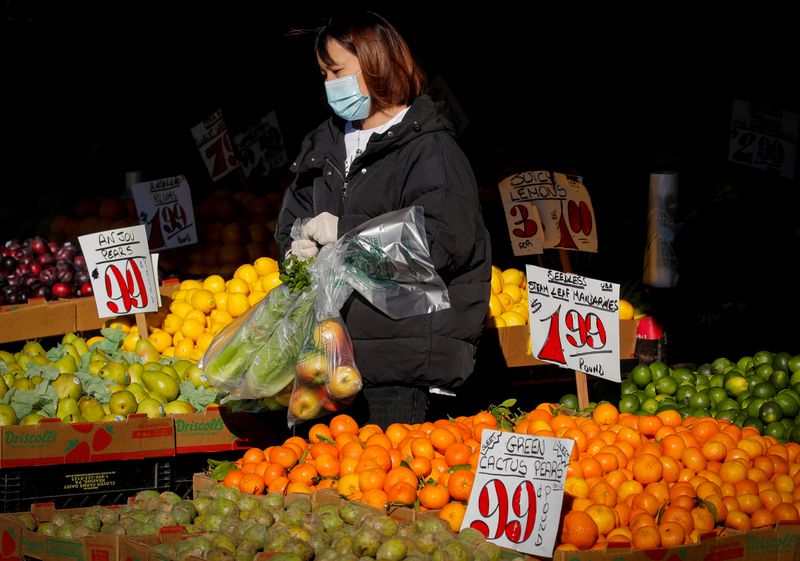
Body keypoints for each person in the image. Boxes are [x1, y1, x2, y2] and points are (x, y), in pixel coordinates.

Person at [276, 10, 491, 427]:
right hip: (330, 363)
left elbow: (443, 241)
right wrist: (293, 245)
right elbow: (292, 216)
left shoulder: (430, 149)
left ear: (375, 63)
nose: (329, 85)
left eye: (336, 71)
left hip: (402, 366)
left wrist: (348, 231)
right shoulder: (325, 144)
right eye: (323, 74)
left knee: (386, 486)